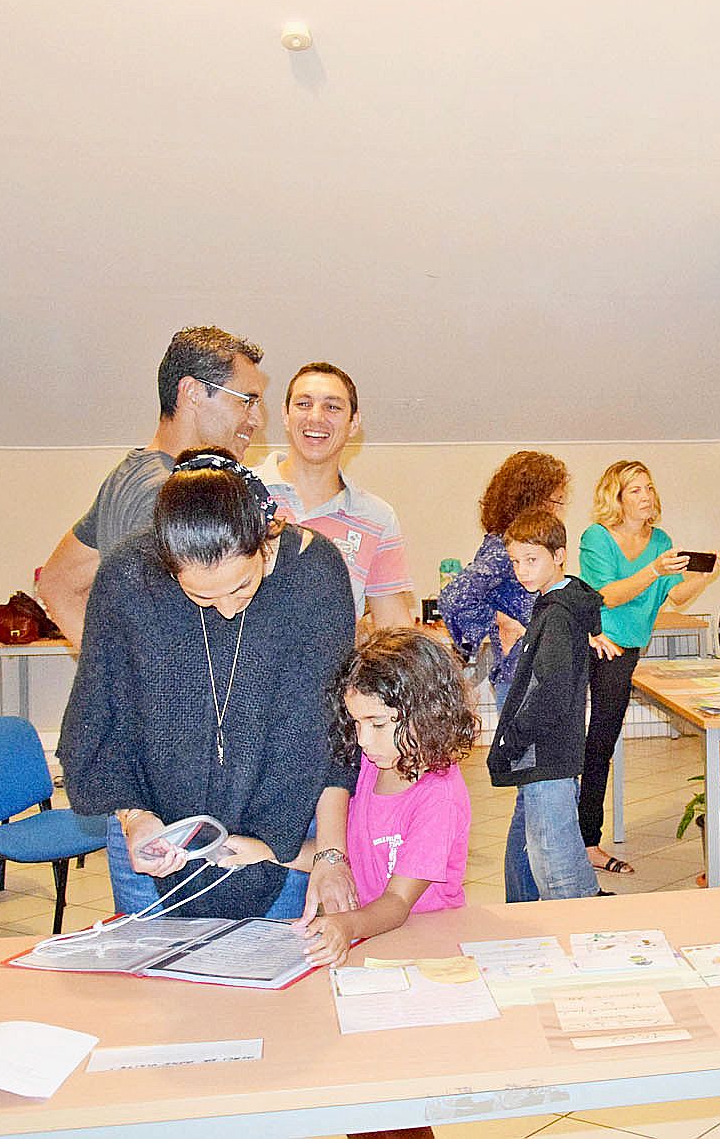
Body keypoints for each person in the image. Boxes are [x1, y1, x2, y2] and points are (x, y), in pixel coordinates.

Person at [57, 448, 356, 920]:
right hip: (153, 845)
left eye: (242, 586)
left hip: (282, 842)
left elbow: (334, 736)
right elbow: (106, 718)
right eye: (200, 595)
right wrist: (135, 819)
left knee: (273, 988)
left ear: (264, 537)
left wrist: (329, 853)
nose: (228, 610)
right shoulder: (128, 578)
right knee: (159, 989)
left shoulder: (315, 575)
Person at [218, 629, 473, 969]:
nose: (363, 740)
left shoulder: (438, 797)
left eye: (378, 724)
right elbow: (349, 849)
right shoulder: (372, 765)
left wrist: (346, 924)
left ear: (428, 715)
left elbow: (397, 901)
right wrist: (265, 852)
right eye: (356, 723)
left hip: (423, 943)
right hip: (373, 934)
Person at [39, 326, 268, 649]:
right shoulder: (170, 495)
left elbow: (56, 583)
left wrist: (110, 671)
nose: (257, 419)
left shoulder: (127, 477)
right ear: (192, 392)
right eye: (247, 401)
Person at [576, 461, 720, 875]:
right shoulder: (597, 537)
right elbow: (607, 595)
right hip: (594, 643)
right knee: (589, 745)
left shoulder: (661, 540)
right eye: (635, 490)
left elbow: (676, 596)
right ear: (617, 498)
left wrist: (705, 575)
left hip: (627, 650)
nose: (646, 496)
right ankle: (584, 841)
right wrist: (653, 570)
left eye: (649, 488)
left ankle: (585, 839)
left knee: (600, 744)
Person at [488, 508, 606, 902]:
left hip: (546, 749)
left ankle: (581, 935)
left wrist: (513, 740)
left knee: (554, 866)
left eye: (532, 559)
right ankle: (545, 917)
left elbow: (549, 693)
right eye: (516, 562)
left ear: (559, 556)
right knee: (549, 840)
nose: (522, 571)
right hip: (557, 746)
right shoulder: (564, 604)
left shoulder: (556, 614)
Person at [263, 361, 416, 631]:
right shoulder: (239, 491)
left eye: (332, 407)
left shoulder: (377, 518)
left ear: (353, 422)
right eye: (303, 404)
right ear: (285, 415)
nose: (316, 418)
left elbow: (394, 630)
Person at [439, 451, 570, 704]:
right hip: (522, 678)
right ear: (537, 501)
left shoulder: (520, 544)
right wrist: (500, 620)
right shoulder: (503, 548)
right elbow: (453, 596)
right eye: (557, 501)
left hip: (538, 672)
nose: (559, 511)